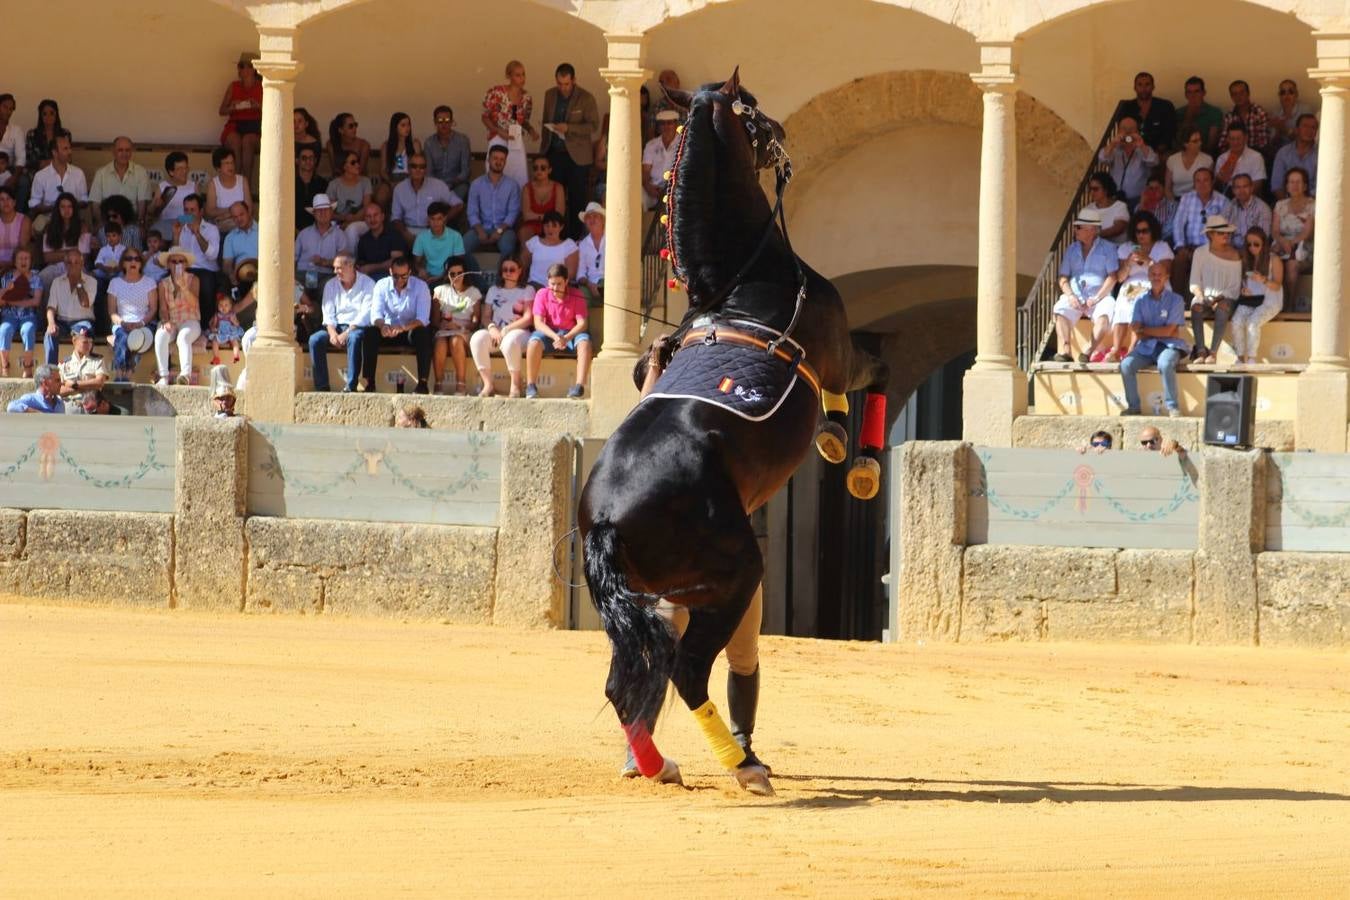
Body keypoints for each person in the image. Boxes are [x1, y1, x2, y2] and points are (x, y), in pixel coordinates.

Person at [1119, 262, 1189, 417]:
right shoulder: (1140, 300)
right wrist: (1155, 332)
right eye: (1153, 274)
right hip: (1146, 347)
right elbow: (1135, 328)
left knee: (1164, 364)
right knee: (1125, 365)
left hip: (1170, 346)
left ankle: (1173, 407)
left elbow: (1170, 331)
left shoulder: (1176, 300)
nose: (1156, 278)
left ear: (1166, 277)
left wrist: (1144, 329)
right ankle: (1133, 407)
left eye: (1160, 274)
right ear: (1149, 276)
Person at [540, 63, 600, 239]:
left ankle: (574, 237)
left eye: (566, 84)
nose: (563, 88)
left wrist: (569, 128)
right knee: (555, 199)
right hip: (554, 152)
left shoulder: (586, 98)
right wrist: (543, 151)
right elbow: (545, 120)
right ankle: (555, 236)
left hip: (577, 157)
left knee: (576, 199)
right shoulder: (550, 95)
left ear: (574, 80)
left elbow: (593, 126)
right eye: (559, 83)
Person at [1105, 211, 1172, 363]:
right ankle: (1116, 349)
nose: (1141, 235)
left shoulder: (1162, 247)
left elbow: (1167, 272)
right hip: (1131, 284)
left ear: (1152, 231)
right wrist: (1128, 263)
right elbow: (1120, 278)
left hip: (1156, 283)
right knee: (1123, 305)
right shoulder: (1126, 248)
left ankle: (1132, 349)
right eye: (1137, 231)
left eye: (1145, 231)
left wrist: (1148, 260)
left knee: (1141, 307)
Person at [1052, 208, 1118, 363]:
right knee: (1059, 309)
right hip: (1076, 296)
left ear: (1093, 230)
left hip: (1099, 297)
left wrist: (1096, 298)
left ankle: (1087, 352)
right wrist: (1070, 295)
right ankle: (1066, 350)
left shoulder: (1108, 248)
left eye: (1079, 227)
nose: (1075, 230)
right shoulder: (1071, 249)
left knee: (1105, 313)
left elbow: (1112, 277)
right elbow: (1063, 277)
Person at [309, 251, 376, 393]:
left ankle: (351, 385)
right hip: (336, 327)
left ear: (350, 265)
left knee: (354, 337)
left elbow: (365, 314)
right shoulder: (331, 285)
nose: (335, 271)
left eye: (338, 267)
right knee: (315, 339)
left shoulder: (368, 283)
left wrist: (346, 333)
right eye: (334, 267)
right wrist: (333, 334)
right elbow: (328, 313)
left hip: (357, 327)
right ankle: (322, 386)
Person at [471, 254, 533, 398]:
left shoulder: (527, 289)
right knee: (477, 338)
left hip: (520, 333)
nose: (508, 273)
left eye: (512, 269)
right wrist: (492, 328)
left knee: (510, 341)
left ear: (520, 271)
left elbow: (528, 318)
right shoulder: (494, 290)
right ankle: (488, 384)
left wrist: (506, 330)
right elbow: (486, 316)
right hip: (497, 333)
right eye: (505, 269)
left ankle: (516, 384)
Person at [525, 263, 590, 399]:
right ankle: (531, 386)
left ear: (566, 282)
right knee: (533, 342)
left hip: (571, 333)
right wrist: (555, 336)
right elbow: (538, 323)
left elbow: (582, 324)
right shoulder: (542, 294)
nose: (555, 288)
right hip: (550, 333)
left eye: (559, 284)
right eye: (552, 284)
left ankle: (579, 386)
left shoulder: (577, 294)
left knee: (585, 343)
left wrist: (566, 337)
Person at [371, 255, 434, 393]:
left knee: (423, 332)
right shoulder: (381, 285)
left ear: (410, 273)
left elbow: (423, 319)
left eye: (403, 276)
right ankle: (369, 382)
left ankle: (423, 383)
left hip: (409, 330)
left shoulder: (421, 286)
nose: (399, 280)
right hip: (388, 330)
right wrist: (383, 326)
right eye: (395, 276)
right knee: (370, 332)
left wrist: (403, 328)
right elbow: (375, 315)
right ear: (390, 272)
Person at [1188, 215, 1242, 365]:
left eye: (1227, 233)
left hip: (1226, 298)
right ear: (1210, 234)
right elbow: (1194, 281)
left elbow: (1234, 287)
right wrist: (1201, 296)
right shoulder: (1200, 253)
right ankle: (1200, 350)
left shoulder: (1234, 254)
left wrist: (1217, 299)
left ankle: (1213, 353)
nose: (1226, 235)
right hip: (1205, 295)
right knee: (1196, 305)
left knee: (1222, 307)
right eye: (1221, 233)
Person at [1170, 168, 1233, 294]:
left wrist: (1214, 248)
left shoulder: (1223, 201)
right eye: (1198, 181)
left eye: (1205, 180)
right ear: (1194, 183)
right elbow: (1178, 223)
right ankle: (1177, 300)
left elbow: (1225, 229)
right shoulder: (1186, 198)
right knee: (1179, 260)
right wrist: (1181, 246)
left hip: (1212, 248)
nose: (1202, 184)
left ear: (1212, 182)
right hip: (1189, 247)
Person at [1231, 227, 1284, 365]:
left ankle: (1252, 358)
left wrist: (1263, 280)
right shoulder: (1246, 259)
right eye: (1249, 244)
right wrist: (1244, 290)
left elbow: (1277, 285)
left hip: (1270, 300)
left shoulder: (1274, 259)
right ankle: (1241, 357)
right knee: (1236, 321)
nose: (1252, 248)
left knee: (1252, 323)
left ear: (1264, 244)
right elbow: (1242, 284)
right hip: (1251, 300)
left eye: (1256, 244)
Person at [463, 144, 521, 271]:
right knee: (462, 247)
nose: (498, 162)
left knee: (508, 247)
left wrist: (499, 231)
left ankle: (499, 280)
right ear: (488, 159)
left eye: (502, 159)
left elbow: (513, 213)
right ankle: (476, 278)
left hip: (504, 229)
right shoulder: (476, 184)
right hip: (481, 227)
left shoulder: (512, 185)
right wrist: (480, 230)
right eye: (495, 158)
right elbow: (472, 212)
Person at [481, 60, 537, 188]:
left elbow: (524, 121)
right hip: (498, 137)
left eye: (523, 74)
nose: (522, 78)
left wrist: (531, 130)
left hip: (516, 139)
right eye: (517, 75)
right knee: (496, 170)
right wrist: (498, 131)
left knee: (519, 174)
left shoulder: (526, 98)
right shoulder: (496, 93)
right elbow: (485, 117)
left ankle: (518, 206)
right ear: (508, 76)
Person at [152, 246, 202, 385]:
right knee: (161, 335)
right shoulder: (163, 283)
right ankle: (163, 376)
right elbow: (163, 307)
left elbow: (194, 304)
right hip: (172, 320)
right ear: (168, 264)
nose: (178, 264)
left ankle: (185, 375)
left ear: (185, 264)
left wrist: (184, 287)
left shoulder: (194, 279)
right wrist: (165, 321)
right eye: (174, 261)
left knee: (183, 337)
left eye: (181, 261)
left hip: (190, 319)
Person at [106, 246, 158, 380]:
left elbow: (153, 309)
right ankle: (120, 375)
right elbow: (112, 311)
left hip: (144, 324)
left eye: (136, 259)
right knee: (123, 336)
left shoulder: (149, 282)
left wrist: (140, 323)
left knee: (136, 339)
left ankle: (125, 377)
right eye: (129, 259)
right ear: (123, 263)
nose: (133, 262)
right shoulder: (115, 283)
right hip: (122, 323)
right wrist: (122, 323)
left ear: (141, 263)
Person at [431, 257, 481, 393]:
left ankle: (461, 384)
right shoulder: (440, 291)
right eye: (452, 274)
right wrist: (442, 324)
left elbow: (475, 323)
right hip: (444, 330)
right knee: (440, 342)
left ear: (465, 273)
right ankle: (438, 384)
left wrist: (459, 328)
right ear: (447, 275)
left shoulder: (473, 292)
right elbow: (434, 320)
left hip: (464, 331)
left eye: (459, 273)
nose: (456, 277)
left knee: (455, 340)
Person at [391, 153, 458, 247]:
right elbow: (395, 218)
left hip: (431, 230)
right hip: (407, 231)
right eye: (414, 166)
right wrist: (405, 233)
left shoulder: (438, 185)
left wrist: (443, 220)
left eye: (422, 167)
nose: (418, 169)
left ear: (426, 170)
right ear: (408, 168)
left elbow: (458, 204)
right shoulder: (399, 189)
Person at [173, 194, 221, 326]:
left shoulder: (212, 229)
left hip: (206, 269)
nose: (189, 213)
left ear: (201, 211)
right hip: (186, 268)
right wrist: (176, 236)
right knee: (167, 280)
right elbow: (176, 257)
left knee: (205, 282)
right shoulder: (182, 229)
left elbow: (212, 255)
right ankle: (175, 323)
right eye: (186, 210)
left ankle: (206, 326)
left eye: (192, 210)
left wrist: (197, 234)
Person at [44, 246, 95, 365]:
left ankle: (82, 371)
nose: (73, 265)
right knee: (49, 333)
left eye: (76, 262)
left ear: (82, 264)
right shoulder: (57, 282)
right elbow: (51, 307)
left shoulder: (91, 281)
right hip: (62, 321)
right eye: (69, 263)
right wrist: (51, 323)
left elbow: (85, 303)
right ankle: (51, 370)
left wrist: (78, 282)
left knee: (83, 334)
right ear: (65, 264)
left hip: (82, 321)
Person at [28, 132, 87, 233]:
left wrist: (69, 206)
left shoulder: (78, 173)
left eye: (69, 148)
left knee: (84, 229)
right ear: (54, 152)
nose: (70, 152)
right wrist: (56, 207)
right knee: (38, 226)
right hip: (49, 218)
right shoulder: (41, 176)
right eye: (65, 149)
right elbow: (34, 205)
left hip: (72, 219)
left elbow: (85, 201)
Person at [88, 136, 153, 226]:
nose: (124, 154)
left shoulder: (141, 172)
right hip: (108, 223)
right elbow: (95, 204)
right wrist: (101, 226)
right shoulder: (101, 173)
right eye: (120, 150)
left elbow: (142, 203)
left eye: (127, 150)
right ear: (113, 151)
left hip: (132, 223)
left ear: (131, 152)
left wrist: (140, 224)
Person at [219, 52, 262, 185]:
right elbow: (221, 111)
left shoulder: (263, 85)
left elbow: (273, 112)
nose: (244, 69)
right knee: (235, 141)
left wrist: (258, 106)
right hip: (235, 124)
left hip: (255, 126)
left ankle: (245, 185)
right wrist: (232, 107)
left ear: (254, 68)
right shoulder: (234, 86)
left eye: (248, 66)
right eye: (241, 66)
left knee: (247, 141)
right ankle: (235, 184)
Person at [1272, 167, 1315, 301]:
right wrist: (1283, 242)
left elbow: (1306, 233)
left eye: (1298, 182)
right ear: (1287, 186)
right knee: (1270, 260)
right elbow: (1275, 231)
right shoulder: (1280, 204)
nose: (1294, 185)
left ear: (1305, 186)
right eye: (1291, 182)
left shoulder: (1313, 205)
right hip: (1281, 245)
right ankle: (1272, 303)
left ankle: (1289, 305)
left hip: (1303, 248)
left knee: (1292, 264)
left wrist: (1291, 243)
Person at [295, 193, 347, 302]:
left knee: (330, 287)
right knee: (289, 283)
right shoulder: (303, 234)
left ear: (331, 212)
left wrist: (325, 262)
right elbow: (292, 260)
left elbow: (343, 262)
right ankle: (307, 308)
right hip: (303, 274)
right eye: (319, 210)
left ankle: (314, 312)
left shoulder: (340, 235)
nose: (323, 213)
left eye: (326, 210)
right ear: (314, 213)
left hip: (326, 275)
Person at [0, 247, 42, 377]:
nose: (23, 261)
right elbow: (1, 300)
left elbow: (36, 301)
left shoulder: (36, 278)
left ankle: (27, 367)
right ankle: (5, 366)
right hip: (9, 315)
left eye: (26, 258)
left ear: (31, 261)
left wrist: (12, 302)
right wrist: (9, 288)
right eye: (20, 258)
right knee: (4, 330)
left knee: (28, 330)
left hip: (28, 315)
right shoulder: (7, 277)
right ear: (15, 261)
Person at [1097, 115, 1158, 206]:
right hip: (1116, 198)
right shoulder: (1114, 150)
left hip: (1138, 200)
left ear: (1137, 131)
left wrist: (1142, 145)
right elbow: (1102, 158)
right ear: (1118, 131)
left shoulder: (1144, 149)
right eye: (1124, 129)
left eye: (1131, 129)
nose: (1127, 132)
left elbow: (1154, 161)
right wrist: (1113, 144)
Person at [1117, 72, 1175, 154]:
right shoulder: (1127, 107)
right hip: (1133, 152)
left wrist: (1157, 153)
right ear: (1135, 87)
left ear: (1153, 87)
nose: (1143, 88)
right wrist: (1130, 147)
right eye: (1140, 85)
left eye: (1147, 84)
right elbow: (1122, 133)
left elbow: (1169, 133)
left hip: (1159, 153)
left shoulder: (1165, 106)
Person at [424, 105, 471, 202]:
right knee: (429, 200)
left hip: (458, 185)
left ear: (452, 122)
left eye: (447, 120)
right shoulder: (429, 143)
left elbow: (465, 171)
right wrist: (440, 186)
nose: (444, 124)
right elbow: (429, 172)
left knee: (455, 198)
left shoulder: (463, 140)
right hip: (435, 185)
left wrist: (451, 184)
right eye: (440, 120)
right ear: (435, 122)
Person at [327, 149, 374, 244]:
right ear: (344, 166)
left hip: (362, 222)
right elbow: (329, 212)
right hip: (339, 223)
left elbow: (366, 207)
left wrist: (351, 221)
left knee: (352, 229)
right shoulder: (334, 185)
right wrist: (344, 219)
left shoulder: (365, 182)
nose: (358, 165)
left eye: (358, 161)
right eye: (353, 162)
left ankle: (350, 258)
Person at [412, 201, 466, 284]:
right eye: (432, 219)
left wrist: (441, 276)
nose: (435, 223)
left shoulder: (456, 236)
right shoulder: (421, 237)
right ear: (428, 219)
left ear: (445, 218)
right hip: (428, 277)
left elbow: (458, 263)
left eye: (439, 218)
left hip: (449, 277)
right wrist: (421, 270)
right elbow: (417, 262)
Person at [521, 211, 578, 287]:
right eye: (547, 225)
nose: (550, 229)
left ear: (561, 227)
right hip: (534, 286)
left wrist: (555, 285)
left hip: (557, 288)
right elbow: (522, 265)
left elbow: (571, 274)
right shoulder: (534, 242)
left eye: (554, 226)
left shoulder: (569, 245)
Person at [517, 155, 565, 244]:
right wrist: (547, 216)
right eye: (535, 168)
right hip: (531, 226)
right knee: (525, 234)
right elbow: (526, 216)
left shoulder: (558, 187)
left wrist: (537, 216)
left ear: (549, 170)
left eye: (543, 168)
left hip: (552, 225)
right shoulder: (527, 188)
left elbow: (559, 215)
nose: (539, 171)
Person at [204, 147, 251, 233]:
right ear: (218, 168)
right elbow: (210, 211)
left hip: (242, 224)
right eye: (226, 163)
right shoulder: (213, 184)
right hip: (223, 227)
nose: (231, 166)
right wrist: (232, 212)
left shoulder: (243, 180)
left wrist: (227, 215)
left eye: (232, 162)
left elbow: (249, 208)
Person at [147, 150, 193, 239]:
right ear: (171, 172)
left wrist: (180, 220)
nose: (184, 171)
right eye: (180, 169)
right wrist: (155, 204)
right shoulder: (163, 186)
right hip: (165, 226)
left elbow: (198, 214)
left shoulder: (193, 186)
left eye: (186, 168)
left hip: (187, 226)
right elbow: (150, 211)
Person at [1271, 114, 1318, 199]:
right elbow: (1277, 186)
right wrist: (1290, 205)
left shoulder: (1321, 154)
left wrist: (1304, 205)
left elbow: (1320, 188)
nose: (1309, 130)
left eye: (1313, 128)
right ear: (1296, 130)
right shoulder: (1283, 153)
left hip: (1313, 204)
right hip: (1286, 202)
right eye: (1305, 126)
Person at [355, 202, 409, 277]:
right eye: (368, 216)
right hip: (369, 280)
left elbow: (397, 262)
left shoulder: (394, 235)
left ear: (382, 217)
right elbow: (361, 265)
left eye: (375, 215)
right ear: (365, 220)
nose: (372, 219)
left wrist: (372, 268)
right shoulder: (363, 240)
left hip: (392, 278)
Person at [1213, 123, 1266, 197]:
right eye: (1232, 139)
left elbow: (1257, 184)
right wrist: (1220, 178)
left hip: (1248, 196)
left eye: (1238, 138)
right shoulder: (1222, 158)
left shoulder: (1256, 157)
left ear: (1245, 138)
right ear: (1228, 139)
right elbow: (1217, 186)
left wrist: (1240, 197)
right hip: (1226, 197)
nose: (1235, 142)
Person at [642, 111, 680, 210]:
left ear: (676, 124)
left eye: (669, 123)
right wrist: (647, 186)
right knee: (637, 197)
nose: (666, 127)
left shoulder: (684, 144)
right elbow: (645, 170)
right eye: (662, 123)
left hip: (676, 189)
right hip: (653, 188)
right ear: (658, 127)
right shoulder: (651, 145)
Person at [1219, 80, 1270, 154]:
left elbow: (1263, 144)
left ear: (1248, 93)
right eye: (1234, 94)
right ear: (1231, 97)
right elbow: (1223, 143)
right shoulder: (1229, 115)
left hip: (1255, 155)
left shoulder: (1259, 113)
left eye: (1241, 92)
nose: (1238, 96)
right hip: (1233, 155)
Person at [1175, 76, 1223, 155]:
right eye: (1189, 92)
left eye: (1196, 91)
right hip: (1182, 156)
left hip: (1205, 156)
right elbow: (1177, 141)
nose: (1193, 95)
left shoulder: (1214, 112)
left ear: (1203, 93)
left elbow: (1212, 144)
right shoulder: (1178, 113)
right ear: (1185, 94)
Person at [57, 321, 107, 397]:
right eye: (85, 342)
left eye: (91, 342)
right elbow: (58, 390)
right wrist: (87, 387)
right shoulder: (64, 364)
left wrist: (74, 384)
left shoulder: (98, 361)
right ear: (74, 341)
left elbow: (99, 382)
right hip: (69, 405)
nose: (89, 345)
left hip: (90, 405)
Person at [221, 202, 259, 299]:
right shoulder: (230, 237)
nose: (239, 219)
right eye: (235, 217)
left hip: (262, 273)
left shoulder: (263, 231)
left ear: (249, 212)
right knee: (233, 290)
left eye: (241, 214)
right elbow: (227, 264)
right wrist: (231, 274)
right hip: (241, 277)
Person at [1164, 126, 1213, 201]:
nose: (1200, 143)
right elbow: (1167, 188)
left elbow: (1208, 188)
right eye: (1195, 141)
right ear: (1185, 144)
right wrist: (1174, 204)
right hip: (1175, 199)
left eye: (1200, 140)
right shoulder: (1172, 160)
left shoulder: (1207, 160)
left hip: (1197, 200)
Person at [380, 112, 422, 199]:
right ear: (395, 127)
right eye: (403, 125)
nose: (407, 128)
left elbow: (419, 166)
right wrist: (391, 182)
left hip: (410, 177)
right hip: (392, 177)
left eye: (408, 125)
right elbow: (383, 170)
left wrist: (408, 181)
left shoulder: (415, 144)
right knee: (381, 195)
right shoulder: (386, 146)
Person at [1227, 174, 1271, 252]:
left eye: (1245, 186)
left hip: (1253, 251)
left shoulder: (1262, 208)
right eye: (1238, 187)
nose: (1241, 191)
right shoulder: (1230, 206)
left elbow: (1263, 238)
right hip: (1232, 251)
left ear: (1251, 188)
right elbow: (1225, 233)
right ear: (1233, 190)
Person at [326, 113, 371, 186]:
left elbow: (361, 171)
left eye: (355, 125)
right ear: (341, 130)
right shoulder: (331, 144)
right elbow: (334, 169)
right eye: (351, 126)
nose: (355, 128)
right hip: (339, 181)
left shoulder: (364, 145)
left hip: (359, 182)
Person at [1268, 80, 1311, 154]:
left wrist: (1285, 130)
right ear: (1279, 96)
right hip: (1281, 155)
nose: (1286, 96)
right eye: (1283, 92)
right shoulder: (1275, 113)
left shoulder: (1305, 111)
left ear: (1296, 94)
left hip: (1302, 153)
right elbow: (1272, 145)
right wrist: (1278, 131)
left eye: (1291, 92)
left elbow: (1305, 139)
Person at [576, 202, 606, 305]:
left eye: (595, 216)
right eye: (588, 217)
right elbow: (580, 273)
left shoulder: (613, 239)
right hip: (590, 283)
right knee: (580, 296)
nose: (592, 220)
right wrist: (589, 285)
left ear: (602, 220)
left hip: (609, 282)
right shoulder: (583, 245)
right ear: (585, 222)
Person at [1087, 172, 1130, 243]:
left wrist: (1095, 235)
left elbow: (1118, 228)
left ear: (1106, 189)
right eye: (1090, 189)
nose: (1092, 192)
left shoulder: (1120, 206)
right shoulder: (1088, 209)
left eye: (1095, 189)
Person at [25, 100, 65, 175]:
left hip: (59, 172)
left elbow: (67, 159)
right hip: (37, 173)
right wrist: (55, 162)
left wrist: (47, 163)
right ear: (40, 116)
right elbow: (31, 161)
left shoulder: (65, 134)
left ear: (56, 115)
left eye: (52, 113)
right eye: (44, 114)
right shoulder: (32, 135)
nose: (48, 117)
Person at [0, 185, 31, 276]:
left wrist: (8, 265)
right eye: (1, 199)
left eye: (8, 198)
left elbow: (22, 249)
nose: (6, 202)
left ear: (14, 202)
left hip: (17, 266)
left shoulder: (24, 220)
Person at [207, 293, 245, 364]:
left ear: (230, 306)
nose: (223, 307)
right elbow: (213, 325)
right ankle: (216, 357)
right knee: (215, 341)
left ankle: (236, 355)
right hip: (221, 334)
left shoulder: (232, 314)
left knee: (235, 341)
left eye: (226, 305)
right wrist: (214, 329)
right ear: (218, 306)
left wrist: (233, 321)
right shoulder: (217, 316)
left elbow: (237, 324)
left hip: (230, 333)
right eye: (221, 305)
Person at [294, 146, 326, 231]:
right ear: (297, 160)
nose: (308, 161)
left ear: (315, 161)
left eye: (311, 158)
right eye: (304, 158)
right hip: (292, 230)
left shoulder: (323, 183)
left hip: (317, 230)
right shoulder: (290, 183)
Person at [0, 95, 25, 190]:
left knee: (23, 181)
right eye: (5, 107)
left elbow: (21, 158)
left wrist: (14, 177)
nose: (8, 111)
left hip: (8, 168)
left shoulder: (17, 130)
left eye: (11, 109)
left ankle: (16, 205)